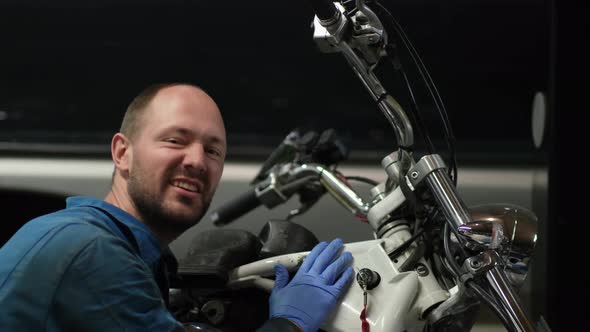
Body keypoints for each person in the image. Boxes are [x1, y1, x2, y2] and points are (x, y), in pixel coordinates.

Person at [0, 83, 354, 331]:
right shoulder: (91, 251)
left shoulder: (112, 247)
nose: (197, 161)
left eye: (213, 151)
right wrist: (290, 322)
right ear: (123, 153)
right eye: (175, 140)